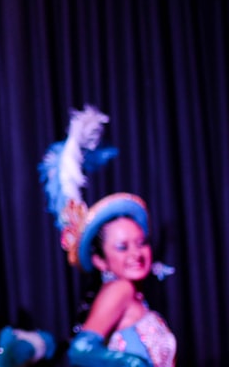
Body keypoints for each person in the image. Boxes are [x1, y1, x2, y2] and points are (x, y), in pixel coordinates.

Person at [40, 105, 176, 367]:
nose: (137, 253)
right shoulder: (119, 289)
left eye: (141, 242)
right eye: (123, 247)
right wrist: (131, 364)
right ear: (102, 261)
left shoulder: (134, 294)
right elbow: (80, 350)